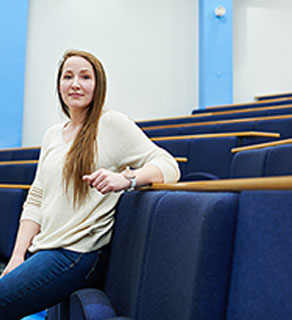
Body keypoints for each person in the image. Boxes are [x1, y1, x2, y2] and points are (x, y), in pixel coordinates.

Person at [0, 49, 180, 319]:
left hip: (76, 253)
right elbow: (36, 199)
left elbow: (169, 166)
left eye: (85, 77)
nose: (75, 83)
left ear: (98, 86)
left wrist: (126, 179)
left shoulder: (111, 124)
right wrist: (17, 256)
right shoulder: (52, 135)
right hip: (45, 247)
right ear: (59, 85)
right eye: (67, 76)